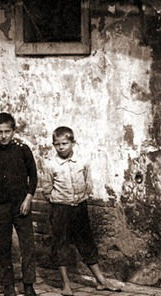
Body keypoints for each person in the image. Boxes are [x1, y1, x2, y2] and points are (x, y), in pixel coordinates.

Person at [45, 126, 122, 293]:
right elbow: (47, 189)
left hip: (79, 208)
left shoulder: (82, 161)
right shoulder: (51, 165)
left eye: (65, 143)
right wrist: (59, 201)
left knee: (86, 242)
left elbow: (88, 183)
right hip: (60, 210)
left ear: (73, 143)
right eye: (57, 144)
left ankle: (100, 280)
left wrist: (81, 198)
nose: (61, 147)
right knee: (61, 244)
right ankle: (65, 284)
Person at [0, 112, 39, 296]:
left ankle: (29, 285)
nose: (4, 135)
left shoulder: (23, 150)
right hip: (1, 207)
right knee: (3, 246)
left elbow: (34, 176)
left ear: (14, 131)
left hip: (21, 205)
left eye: (7, 131)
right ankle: (8, 285)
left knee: (27, 246)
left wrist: (28, 198)